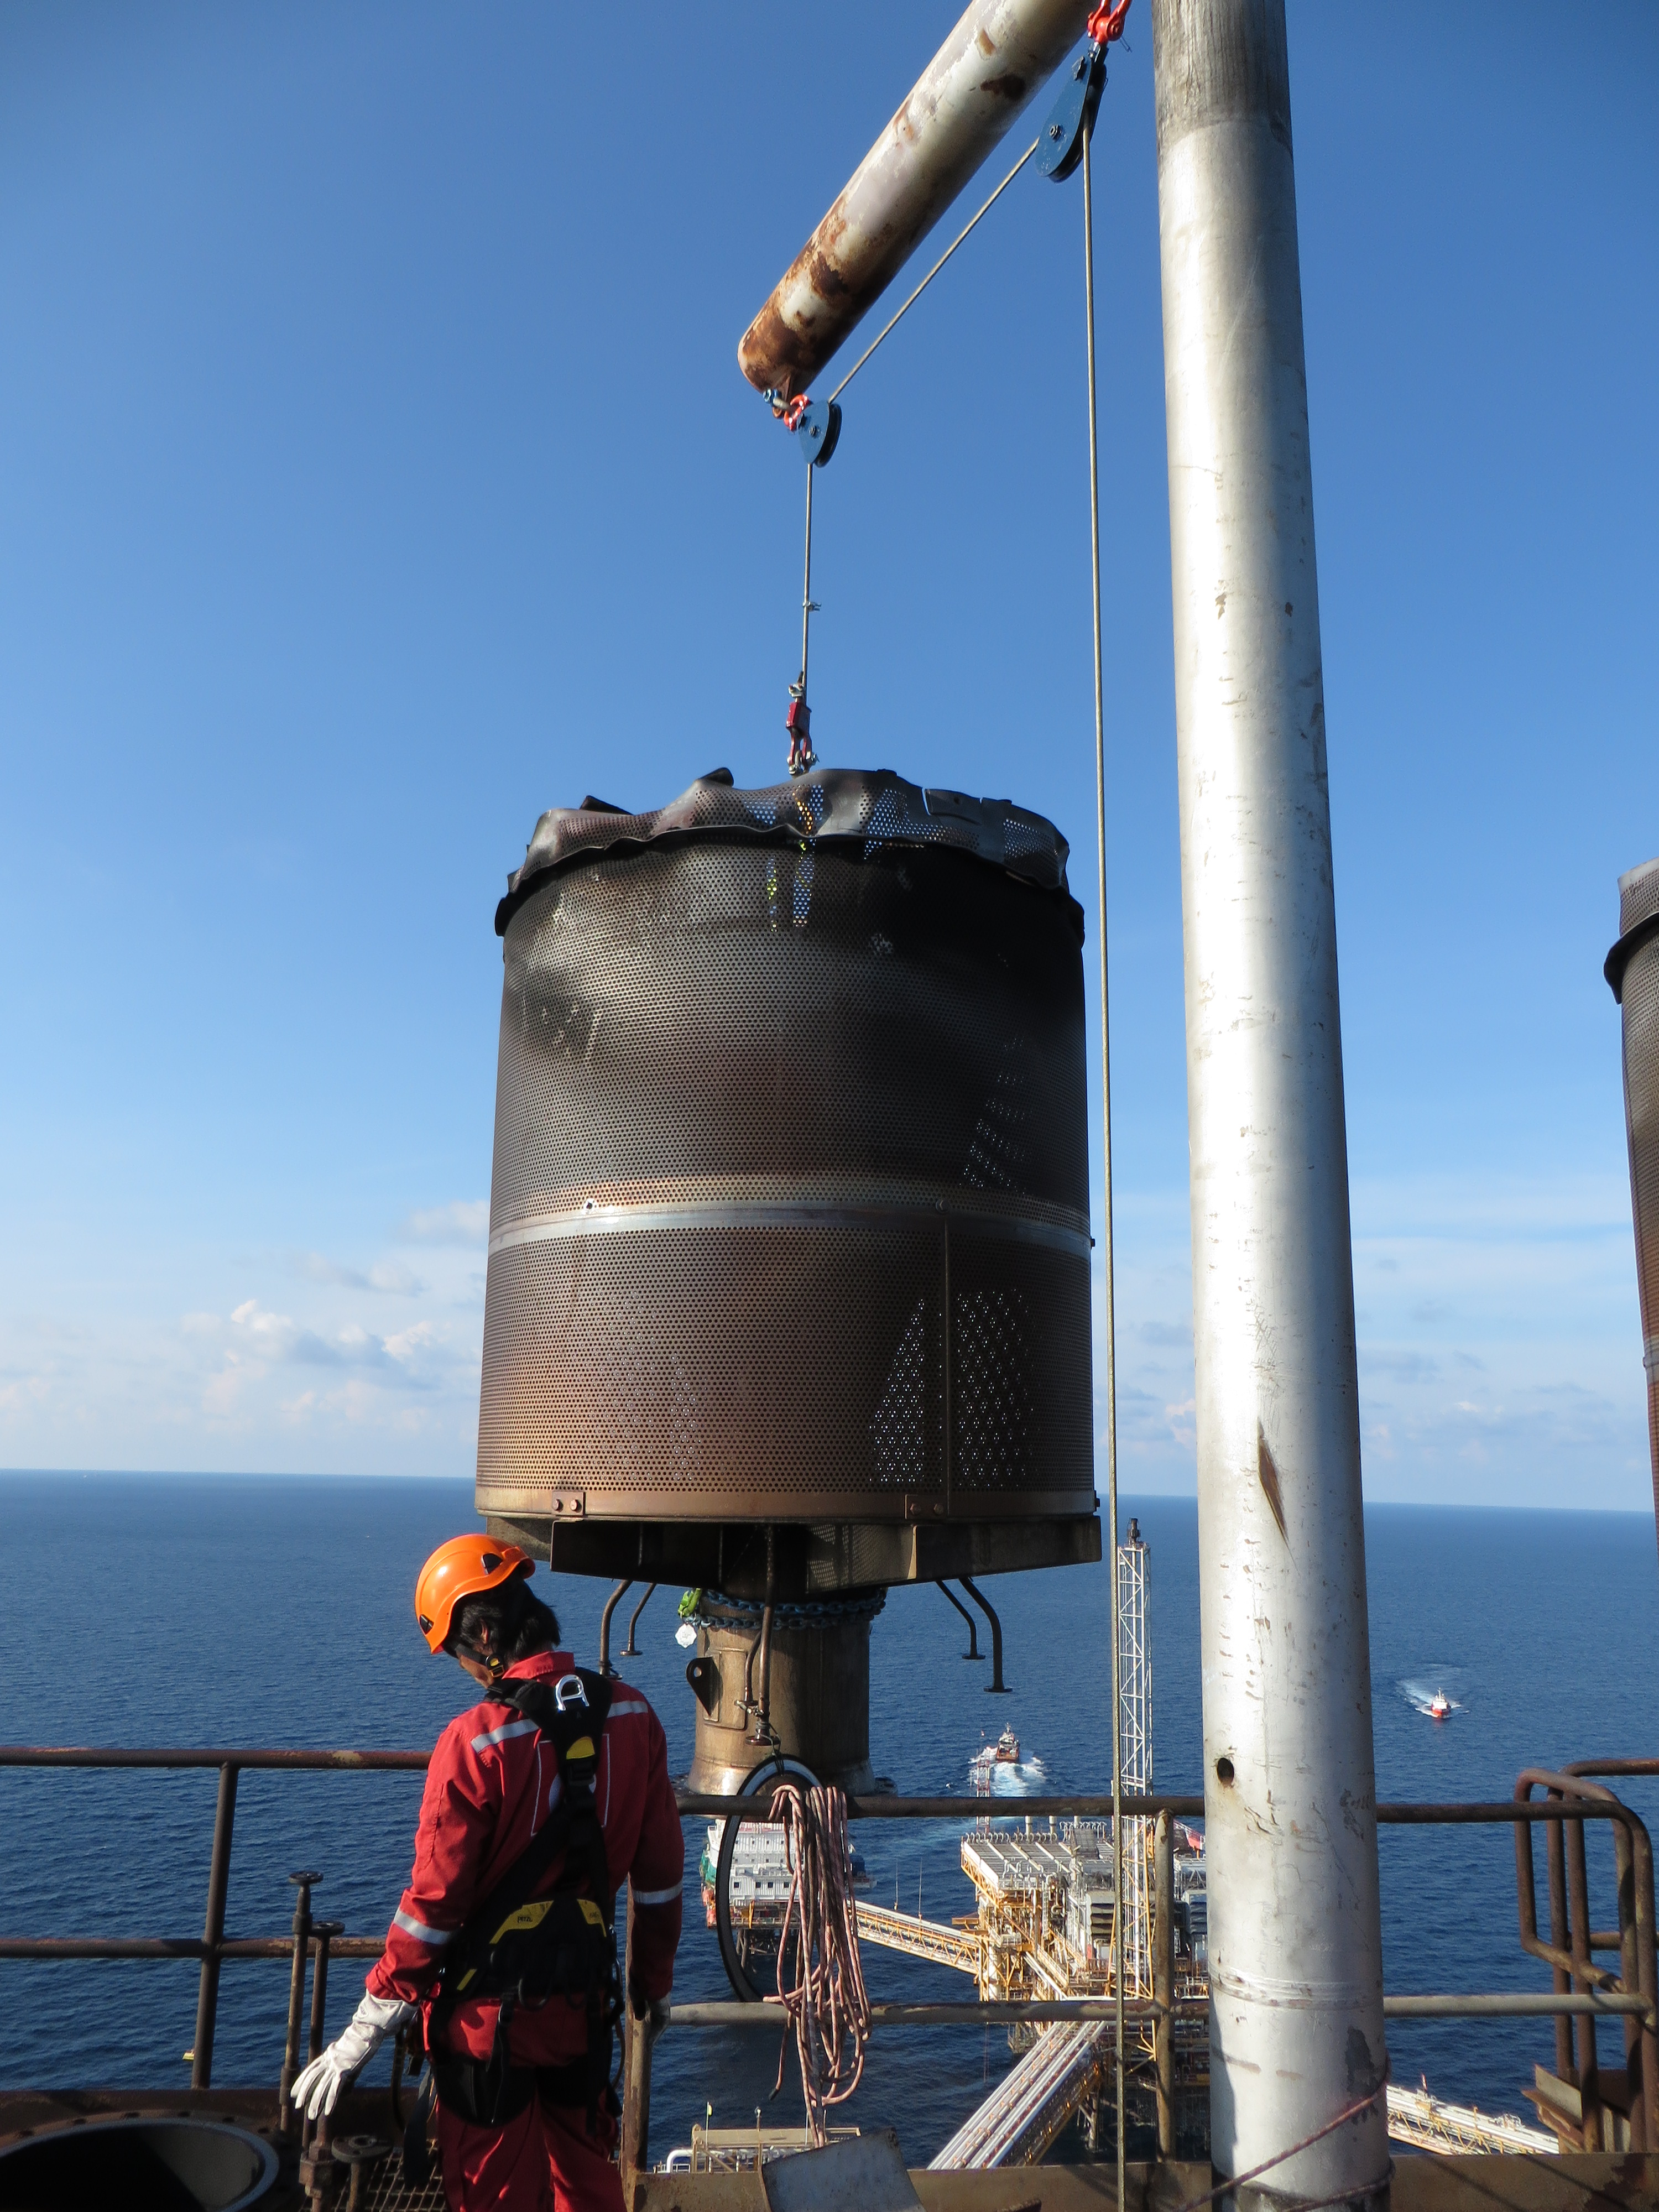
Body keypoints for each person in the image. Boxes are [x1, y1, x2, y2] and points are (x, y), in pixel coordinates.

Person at [291, 1536, 684, 2212]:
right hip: (583, 2010)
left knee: (495, 2195)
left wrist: (367, 2025)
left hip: (488, 2026)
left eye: (457, 1652)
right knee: (588, 2185)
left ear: (482, 1636)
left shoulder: (475, 1741)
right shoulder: (634, 1716)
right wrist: (651, 1987)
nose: (465, 1669)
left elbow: (433, 1908)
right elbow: (660, 1882)